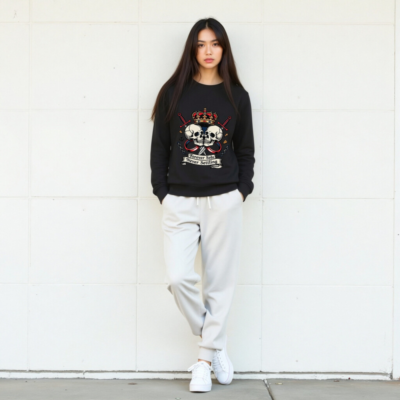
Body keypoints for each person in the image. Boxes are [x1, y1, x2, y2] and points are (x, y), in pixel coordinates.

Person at [149, 17, 255, 393]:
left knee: (219, 285)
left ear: (224, 49)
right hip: (179, 201)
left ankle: (204, 362)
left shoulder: (237, 96)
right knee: (178, 278)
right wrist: (162, 192)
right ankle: (216, 342)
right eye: (201, 44)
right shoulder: (173, 93)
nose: (208, 51)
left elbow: (245, 150)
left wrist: (241, 190)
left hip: (223, 199)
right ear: (192, 50)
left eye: (215, 43)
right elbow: (160, 148)